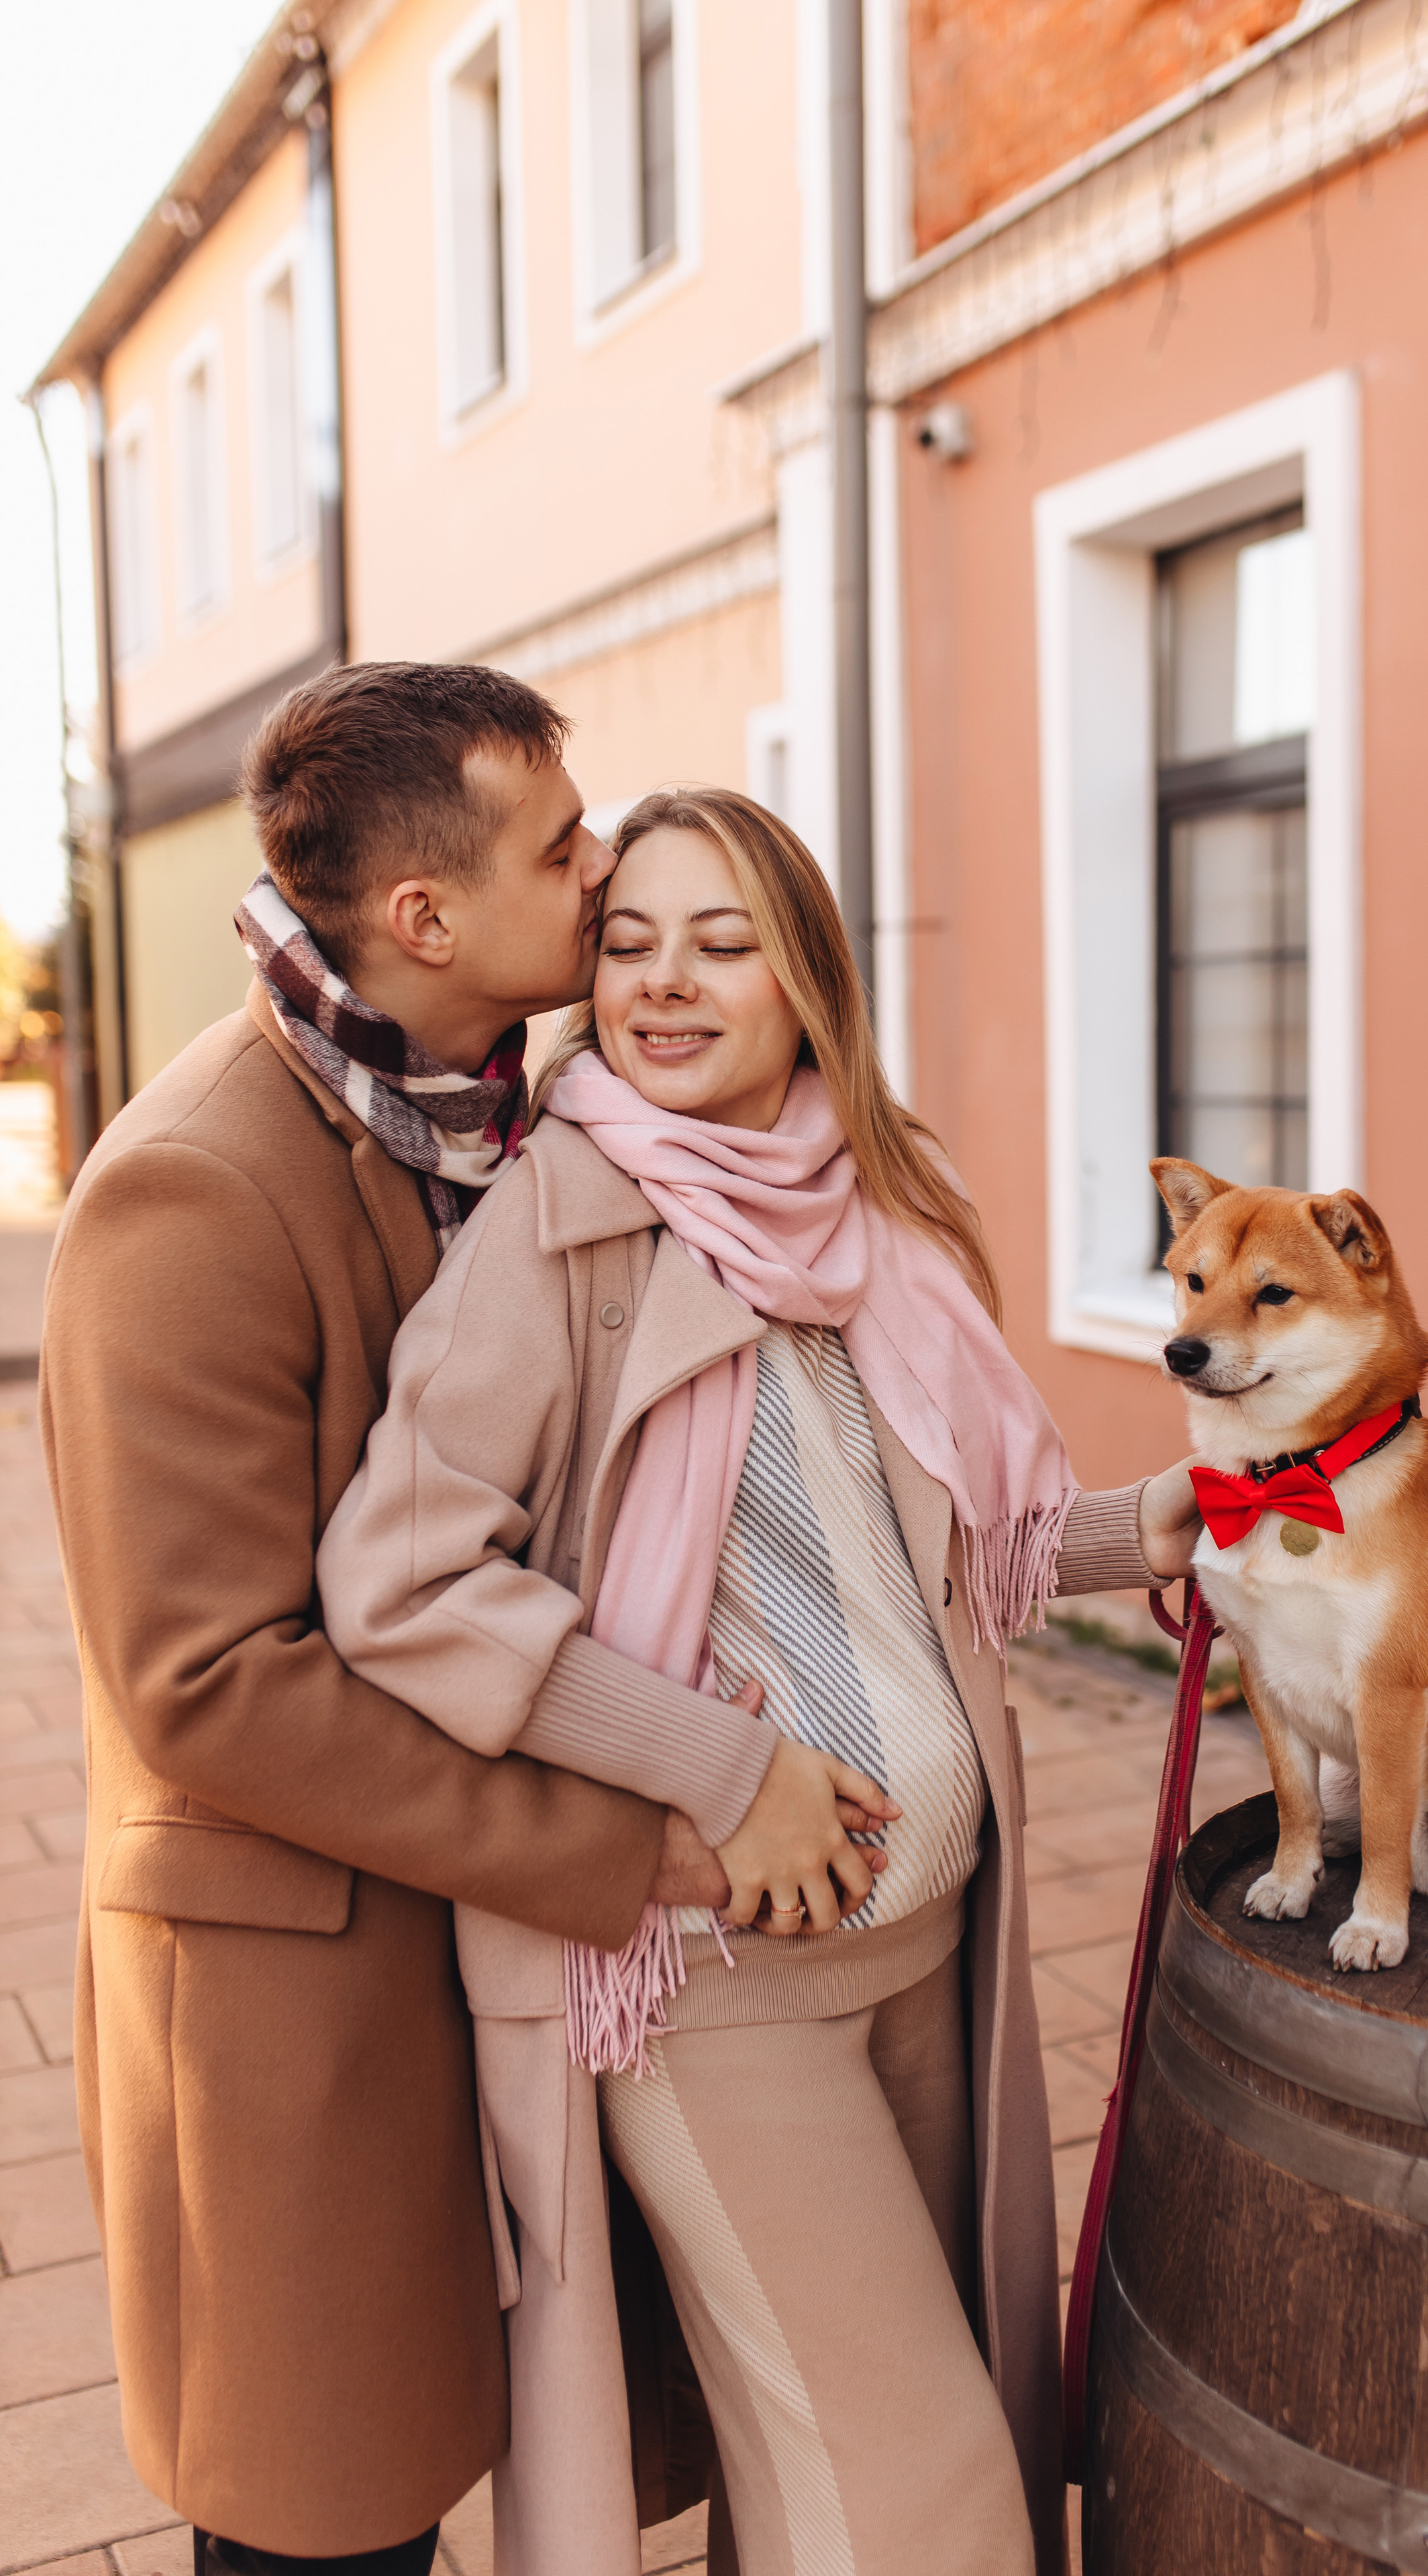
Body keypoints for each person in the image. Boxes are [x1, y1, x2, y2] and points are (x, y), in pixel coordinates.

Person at [38, 671, 886, 2576]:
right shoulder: (189, 1193)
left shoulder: (495, 1112)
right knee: (331, 2521)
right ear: (426, 920)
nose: (599, 881)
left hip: (478, 1941)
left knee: (556, 2427)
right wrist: (646, 1837)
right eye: (564, 846)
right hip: (300, 1990)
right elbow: (215, 1694)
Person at [317, 784, 1203, 2576]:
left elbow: (920, 1535)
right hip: (709, 1974)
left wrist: (1144, 1528)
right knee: (933, 2497)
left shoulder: (870, 1213)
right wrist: (717, 1771)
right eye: (629, 942)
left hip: (926, 1937)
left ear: (808, 980)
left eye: (723, 944)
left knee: (817, 2488)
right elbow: (397, 1585)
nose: (665, 982)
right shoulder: (558, 1232)